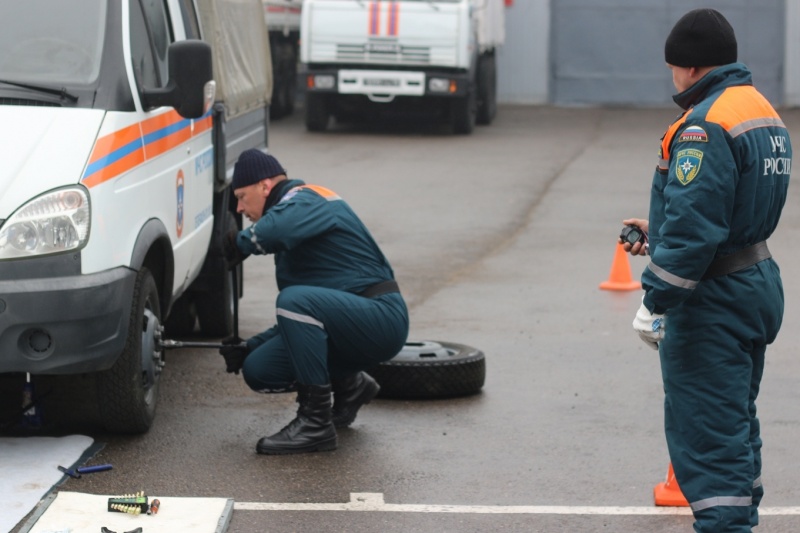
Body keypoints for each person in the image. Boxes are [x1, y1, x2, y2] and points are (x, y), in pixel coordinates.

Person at [621, 8, 792, 532]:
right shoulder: (758, 109)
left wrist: (655, 300)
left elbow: (698, 230)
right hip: (752, 278)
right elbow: (731, 214)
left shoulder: (703, 126)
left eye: (674, 66)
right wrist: (659, 234)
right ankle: (740, 517)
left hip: (713, 300)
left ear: (690, 67)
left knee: (708, 433)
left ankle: (727, 525)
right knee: (734, 421)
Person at [220, 148, 409, 455]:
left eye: (242, 196)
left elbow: (274, 233)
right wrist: (249, 347)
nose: (240, 207)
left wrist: (240, 242)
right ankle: (351, 386)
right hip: (350, 323)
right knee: (259, 369)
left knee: (293, 299)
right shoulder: (292, 230)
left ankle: (315, 424)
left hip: (381, 317)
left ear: (265, 186)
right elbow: (305, 322)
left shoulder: (307, 198)